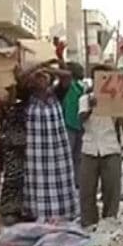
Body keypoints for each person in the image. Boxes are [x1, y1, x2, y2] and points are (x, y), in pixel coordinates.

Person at [18, 59, 80, 221]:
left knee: (60, 179)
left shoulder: (57, 93)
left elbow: (67, 76)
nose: (41, 78)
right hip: (35, 150)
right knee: (36, 180)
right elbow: (20, 78)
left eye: (44, 77)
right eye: (37, 77)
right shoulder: (26, 97)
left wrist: (49, 67)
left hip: (57, 148)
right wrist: (38, 66)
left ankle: (62, 213)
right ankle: (37, 214)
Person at [78, 65, 123, 227]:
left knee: (112, 190)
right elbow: (81, 119)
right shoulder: (85, 99)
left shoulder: (116, 98)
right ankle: (89, 223)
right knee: (87, 190)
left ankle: (109, 222)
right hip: (89, 149)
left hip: (110, 148)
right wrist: (91, 106)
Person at [0, 83, 29, 225]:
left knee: (25, 178)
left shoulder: (27, 106)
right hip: (13, 146)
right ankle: (9, 210)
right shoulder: (9, 108)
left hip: (24, 145)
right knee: (13, 177)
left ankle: (21, 209)